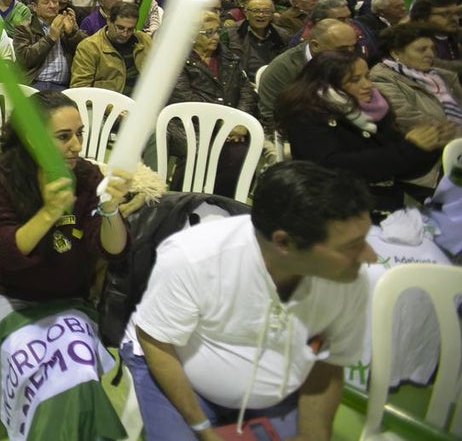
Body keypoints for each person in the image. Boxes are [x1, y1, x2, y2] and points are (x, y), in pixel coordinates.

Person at [123, 160, 376, 441]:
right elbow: (157, 341)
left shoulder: (349, 278)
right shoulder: (196, 257)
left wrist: (312, 435)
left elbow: (329, 361)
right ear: (284, 244)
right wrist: (203, 430)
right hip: (179, 375)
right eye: (351, 246)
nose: (370, 256)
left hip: (274, 396)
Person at [0, 91, 131, 339]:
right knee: (30, 361)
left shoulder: (87, 177)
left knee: (79, 368)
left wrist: (110, 210)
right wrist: (49, 212)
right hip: (7, 294)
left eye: (79, 133)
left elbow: (114, 250)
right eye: (64, 136)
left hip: (67, 297)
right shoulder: (1, 177)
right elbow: (5, 255)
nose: (77, 146)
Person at [275, 51, 450, 216]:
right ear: (327, 85)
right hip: (334, 207)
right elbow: (332, 167)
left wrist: (426, 146)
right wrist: (409, 148)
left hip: (386, 200)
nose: (368, 85)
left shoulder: (375, 107)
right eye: (355, 80)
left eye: (366, 76)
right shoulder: (306, 114)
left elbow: (398, 166)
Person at [167, 11, 259, 199]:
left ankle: (221, 203)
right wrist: (225, 125)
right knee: (204, 152)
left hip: (232, 127)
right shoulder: (174, 60)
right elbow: (185, 99)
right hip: (190, 127)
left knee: (240, 154)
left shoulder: (228, 57)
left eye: (217, 31)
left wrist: (239, 122)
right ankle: (182, 202)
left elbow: (246, 91)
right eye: (208, 33)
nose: (216, 37)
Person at [368, 22, 462, 189]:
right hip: (429, 165)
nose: (430, 54)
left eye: (432, 48)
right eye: (421, 50)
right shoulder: (382, 78)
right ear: (395, 52)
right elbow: (409, 120)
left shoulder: (441, 76)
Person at [70, 2, 152, 94]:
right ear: (109, 21)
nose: (125, 34)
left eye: (130, 29)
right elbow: (80, 88)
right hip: (109, 104)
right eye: (120, 28)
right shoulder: (89, 47)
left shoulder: (144, 40)